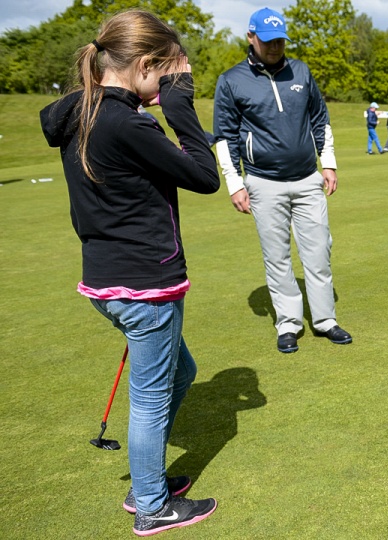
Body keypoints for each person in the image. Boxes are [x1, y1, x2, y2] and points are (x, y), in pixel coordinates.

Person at [39, 10, 219, 536]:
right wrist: (181, 106)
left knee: (178, 375)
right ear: (143, 65)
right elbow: (204, 176)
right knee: (152, 396)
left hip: (110, 279)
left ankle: (147, 482)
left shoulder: (86, 111)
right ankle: (151, 505)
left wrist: (164, 94)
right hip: (145, 283)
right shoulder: (125, 121)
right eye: (164, 74)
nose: (168, 85)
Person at [213, 7, 352, 354]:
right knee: (277, 258)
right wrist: (235, 183)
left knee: (319, 252)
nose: (275, 47)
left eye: (280, 40)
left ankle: (325, 321)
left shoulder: (301, 71)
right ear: (251, 37)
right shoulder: (231, 80)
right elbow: (224, 137)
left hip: (307, 179)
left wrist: (329, 163)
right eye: (268, 40)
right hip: (263, 182)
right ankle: (288, 323)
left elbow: (320, 118)